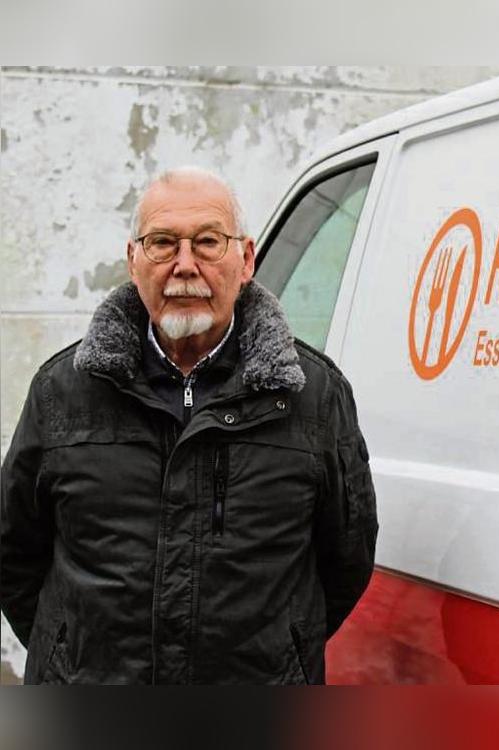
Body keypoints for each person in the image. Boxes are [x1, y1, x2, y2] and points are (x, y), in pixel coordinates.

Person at [0, 166, 377, 684]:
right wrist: (69, 656)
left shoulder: (312, 395)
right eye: (161, 243)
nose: (184, 266)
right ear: (133, 261)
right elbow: (14, 553)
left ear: (245, 260)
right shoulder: (63, 392)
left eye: (206, 242)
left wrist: (281, 657)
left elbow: (345, 562)